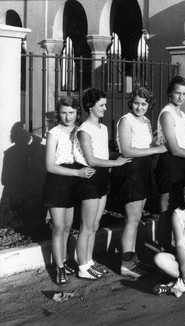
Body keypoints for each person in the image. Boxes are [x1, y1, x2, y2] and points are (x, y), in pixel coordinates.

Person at [74, 88, 131, 280]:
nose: (105, 109)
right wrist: (116, 163)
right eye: (102, 105)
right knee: (86, 225)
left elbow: (103, 155)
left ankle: (89, 262)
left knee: (95, 224)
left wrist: (121, 156)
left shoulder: (103, 128)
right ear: (90, 106)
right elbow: (91, 160)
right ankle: (82, 266)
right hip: (90, 180)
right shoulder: (83, 130)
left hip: (102, 179)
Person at [43, 96, 96, 285]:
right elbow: (50, 166)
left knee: (67, 226)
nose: (68, 117)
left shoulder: (79, 131)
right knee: (58, 227)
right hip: (57, 183)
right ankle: (59, 267)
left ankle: (63, 262)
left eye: (71, 113)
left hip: (73, 184)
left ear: (77, 113)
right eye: (64, 113)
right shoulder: (53, 133)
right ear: (59, 114)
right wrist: (78, 173)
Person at [116, 87, 167, 278]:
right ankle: (126, 264)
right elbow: (127, 150)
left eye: (144, 104)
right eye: (136, 103)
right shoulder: (125, 120)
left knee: (136, 218)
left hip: (143, 170)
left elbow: (146, 146)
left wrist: (157, 142)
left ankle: (133, 259)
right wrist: (156, 150)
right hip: (131, 171)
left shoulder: (146, 121)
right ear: (131, 102)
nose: (139, 107)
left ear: (149, 105)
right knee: (132, 219)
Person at [155, 76, 185, 248]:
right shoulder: (167, 114)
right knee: (168, 206)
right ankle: (164, 245)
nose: (181, 97)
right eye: (177, 93)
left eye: (184, 93)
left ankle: (179, 244)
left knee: (181, 204)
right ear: (170, 93)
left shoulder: (182, 114)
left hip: (183, 162)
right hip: (170, 162)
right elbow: (175, 149)